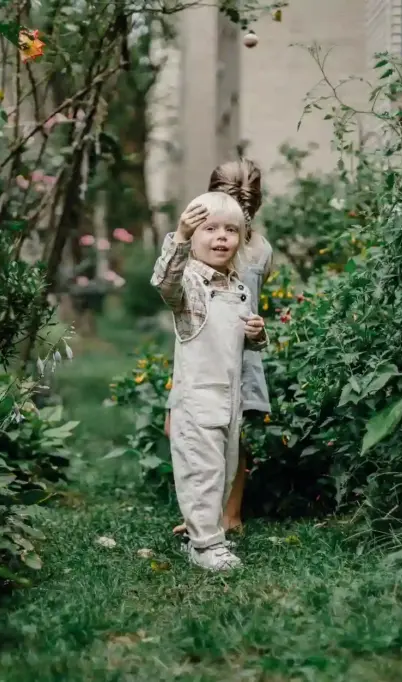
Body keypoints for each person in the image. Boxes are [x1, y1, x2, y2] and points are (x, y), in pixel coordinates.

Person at [150, 191, 267, 571]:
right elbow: (164, 285)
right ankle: (205, 547)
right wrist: (179, 238)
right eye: (210, 229)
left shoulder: (237, 287)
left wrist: (256, 333)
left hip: (228, 398)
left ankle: (204, 535)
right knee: (202, 471)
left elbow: (243, 341)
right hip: (198, 399)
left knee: (225, 468)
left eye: (231, 230)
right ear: (194, 235)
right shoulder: (189, 284)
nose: (221, 237)